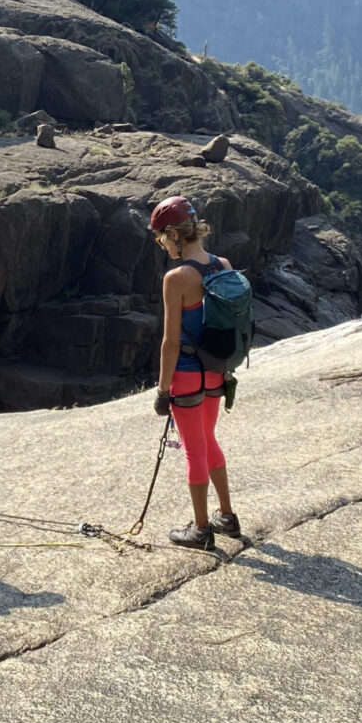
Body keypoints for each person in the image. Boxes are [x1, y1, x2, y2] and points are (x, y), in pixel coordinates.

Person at [149, 197, 241, 550]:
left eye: (162, 239)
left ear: (174, 234)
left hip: (186, 376)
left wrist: (161, 391)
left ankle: (201, 529)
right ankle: (227, 517)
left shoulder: (177, 278)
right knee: (208, 438)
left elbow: (170, 342)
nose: (163, 246)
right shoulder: (223, 264)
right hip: (217, 373)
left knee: (193, 449)